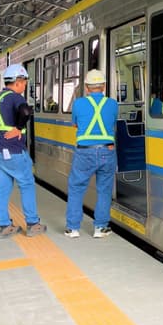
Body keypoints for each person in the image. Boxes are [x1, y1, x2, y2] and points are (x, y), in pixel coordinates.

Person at [0, 64, 45, 238]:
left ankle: (5, 226)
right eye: (24, 82)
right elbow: (25, 111)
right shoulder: (15, 97)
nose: (25, 85)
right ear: (18, 81)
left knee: (3, 189)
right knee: (26, 185)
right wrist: (18, 128)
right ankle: (33, 224)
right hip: (14, 151)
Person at [64, 69, 118, 239]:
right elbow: (113, 122)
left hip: (84, 152)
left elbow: (75, 124)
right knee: (104, 190)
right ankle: (100, 228)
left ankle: (72, 228)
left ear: (86, 88)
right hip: (107, 151)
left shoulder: (78, 103)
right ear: (104, 86)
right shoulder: (112, 104)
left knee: (76, 188)